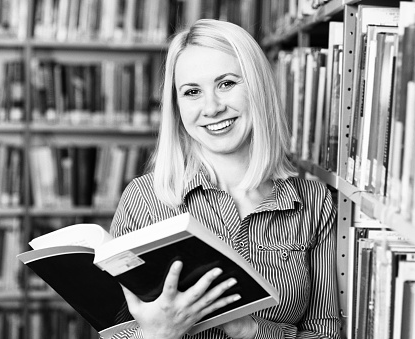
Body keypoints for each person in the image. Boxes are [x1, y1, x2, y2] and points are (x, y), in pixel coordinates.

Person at [110, 18, 341, 339]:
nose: (212, 107)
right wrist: (158, 334)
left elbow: (324, 333)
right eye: (192, 92)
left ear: (258, 86)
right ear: (177, 108)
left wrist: (249, 329)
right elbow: (116, 331)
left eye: (227, 83)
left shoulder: (314, 201)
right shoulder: (146, 199)